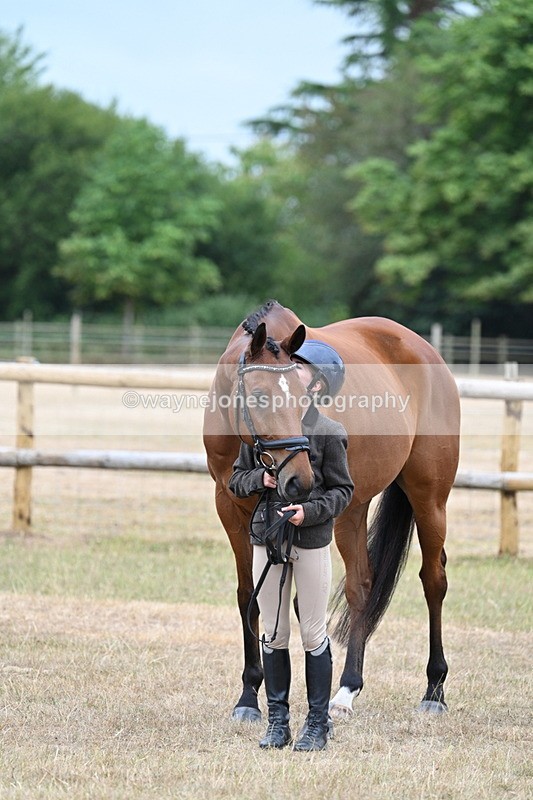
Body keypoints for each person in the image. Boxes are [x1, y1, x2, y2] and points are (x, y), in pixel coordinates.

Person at [229, 340, 354, 752]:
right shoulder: (263, 425)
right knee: (274, 631)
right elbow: (235, 481)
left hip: (311, 541)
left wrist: (309, 513)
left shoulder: (329, 432)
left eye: (299, 367)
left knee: (313, 632)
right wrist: (260, 481)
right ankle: (278, 722)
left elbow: (343, 492)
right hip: (268, 537)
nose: (289, 370)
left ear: (316, 386)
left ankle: (317, 723)